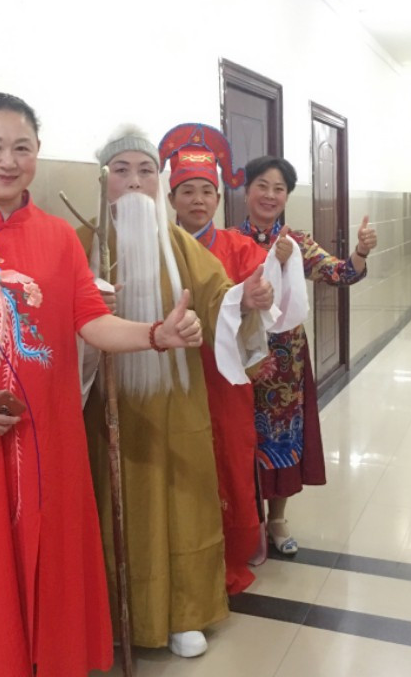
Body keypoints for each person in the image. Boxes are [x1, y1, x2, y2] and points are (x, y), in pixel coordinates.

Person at [0, 94, 204, 677]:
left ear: (37, 152)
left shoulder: (59, 238)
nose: (7, 161)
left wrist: (156, 334)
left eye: (22, 148)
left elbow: (91, 321)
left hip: (48, 434)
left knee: (52, 552)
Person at [78, 126, 276, 658]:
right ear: (103, 180)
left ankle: (185, 612)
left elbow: (219, 299)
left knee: (185, 503)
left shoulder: (180, 244)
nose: (134, 182)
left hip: (178, 403)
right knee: (116, 506)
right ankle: (116, 613)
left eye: (145, 171)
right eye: (122, 171)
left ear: (157, 182)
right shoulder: (82, 243)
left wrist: (246, 300)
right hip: (105, 411)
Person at [159, 123, 308, 593]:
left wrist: (258, 297)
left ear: (219, 198)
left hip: (223, 377)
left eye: (207, 191)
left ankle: (230, 551)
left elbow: (265, 304)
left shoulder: (239, 247)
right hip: (169, 374)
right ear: (171, 197)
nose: (198, 200)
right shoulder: (157, 247)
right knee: (178, 464)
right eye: (187, 191)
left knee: (229, 458)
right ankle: (178, 556)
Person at [232, 155, 377, 555]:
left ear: (287, 196)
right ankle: (247, 522)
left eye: (279, 189)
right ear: (246, 191)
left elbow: (342, 273)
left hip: (285, 363)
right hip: (239, 359)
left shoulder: (297, 243)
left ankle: (277, 519)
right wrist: (269, 263)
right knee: (239, 440)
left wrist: (360, 252)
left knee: (281, 438)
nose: (270, 195)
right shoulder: (228, 241)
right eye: (262, 186)